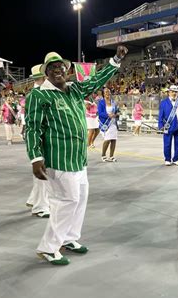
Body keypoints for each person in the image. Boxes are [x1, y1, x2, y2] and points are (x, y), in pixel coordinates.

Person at [25, 46, 127, 265]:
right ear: (46, 73)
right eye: (52, 68)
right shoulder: (39, 95)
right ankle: (49, 247)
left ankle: (69, 238)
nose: (57, 70)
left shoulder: (74, 90)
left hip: (79, 159)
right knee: (66, 201)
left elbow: (97, 80)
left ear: (67, 70)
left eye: (60, 67)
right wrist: (35, 158)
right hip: (59, 159)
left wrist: (116, 60)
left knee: (80, 199)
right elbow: (33, 128)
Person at [24, 64, 50, 218]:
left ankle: (34, 199)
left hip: (41, 136)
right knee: (43, 173)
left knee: (41, 173)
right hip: (42, 137)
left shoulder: (35, 93)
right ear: (42, 77)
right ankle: (40, 206)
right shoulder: (37, 94)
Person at [158, 85, 178, 166]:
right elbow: (160, 116)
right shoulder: (164, 102)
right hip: (168, 126)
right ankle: (167, 159)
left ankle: (176, 159)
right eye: (172, 91)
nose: (174, 93)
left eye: (176, 92)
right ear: (169, 92)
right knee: (167, 143)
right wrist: (160, 126)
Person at [98, 87, 119, 162]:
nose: (107, 93)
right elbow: (100, 113)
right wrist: (108, 115)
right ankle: (103, 155)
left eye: (108, 91)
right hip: (105, 124)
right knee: (107, 139)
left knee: (114, 139)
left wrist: (117, 114)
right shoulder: (101, 102)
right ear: (103, 93)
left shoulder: (113, 102)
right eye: (106, 92)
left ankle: (111, 156)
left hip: (113, 123)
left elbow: (117, 111)